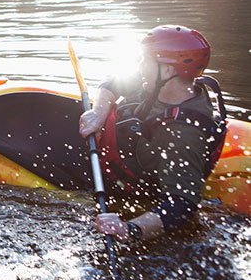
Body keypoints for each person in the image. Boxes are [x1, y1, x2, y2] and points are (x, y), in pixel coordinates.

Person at [78, 25, 227, 243]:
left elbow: (182, 205)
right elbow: (115, 79)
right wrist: (99, 112)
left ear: (167, 70)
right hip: (122, 144)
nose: (139, 67)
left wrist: (128, 229)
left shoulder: (183, 134)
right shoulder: (166, 83)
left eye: (144, 61)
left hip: (127, 177)